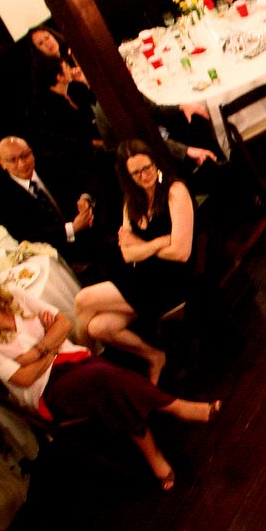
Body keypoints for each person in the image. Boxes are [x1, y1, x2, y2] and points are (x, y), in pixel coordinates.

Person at [0, 262, 219, 491]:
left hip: (72, 359)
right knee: (104, 376)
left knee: (108, 386)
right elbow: (23, 379)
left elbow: (65, 323)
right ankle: (176, 408)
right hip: (45, 389)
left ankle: (156, 455)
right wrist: (50, 344)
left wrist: (38, 351)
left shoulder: (15, 296)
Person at [71, 141, 193, 386]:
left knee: (82, 300)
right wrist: (158, 242)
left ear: (154, 163)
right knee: (98, 327)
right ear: (127, 175)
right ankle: (155, 356)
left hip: (172, 279)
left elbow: (181, 253)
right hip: (142, 277)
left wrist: (141, 246)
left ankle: (88, 369)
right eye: (136, 172)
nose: (145, 176)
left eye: (147, 168)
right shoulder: (132, 198)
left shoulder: (174, 191)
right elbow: (127, 254)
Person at [0, 136, 105, 269]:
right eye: (12, 160)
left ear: (31, 152)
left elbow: (88, 179)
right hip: (52, 253)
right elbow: (25, 234)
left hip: (92, 229)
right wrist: (73, 228)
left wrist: (85, 198)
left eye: (25, 155)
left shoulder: (51, 161)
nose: (22, 164)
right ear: (2, 163)